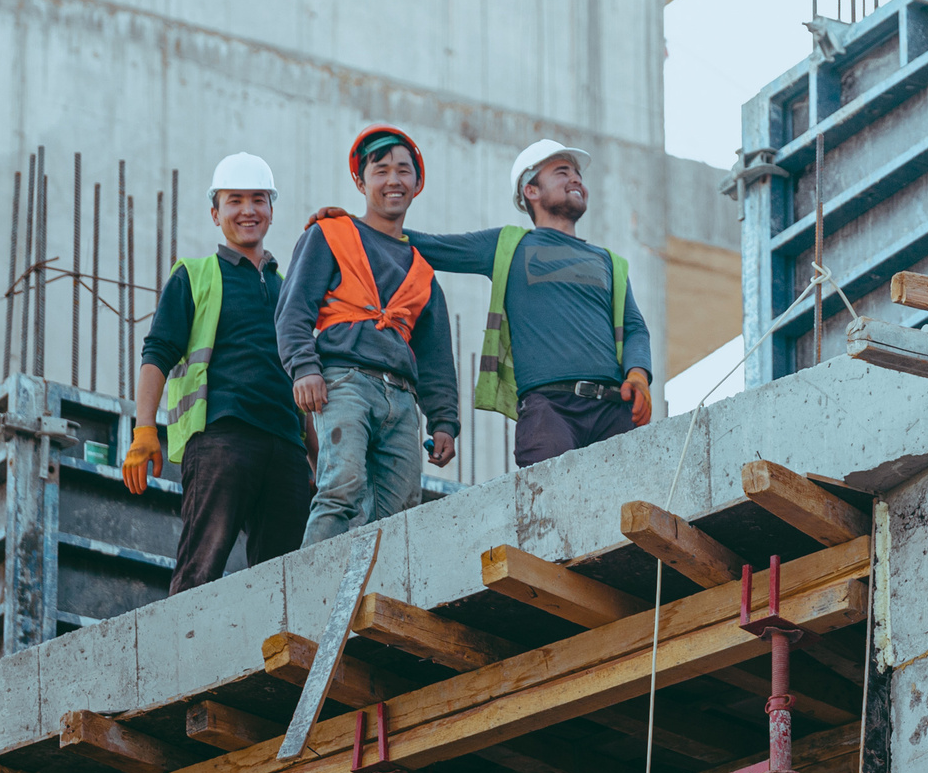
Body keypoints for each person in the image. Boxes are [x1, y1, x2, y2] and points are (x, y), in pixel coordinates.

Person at [124, 151, 313, 594]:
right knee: (201, 567)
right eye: (235, 201)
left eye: (258, 200)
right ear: (216, 213)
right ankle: (180, 657)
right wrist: (144, 430)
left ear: (271, 210)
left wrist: (315, 459)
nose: (248, 210)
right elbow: (157, 353)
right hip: (221, 437)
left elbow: (302, 377)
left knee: (284, 582)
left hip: (285, 447)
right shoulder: (195, 276)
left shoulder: (289, 289)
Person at [408, 140, 655, 467]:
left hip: (613, 410)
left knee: (630, 503)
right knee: (551, 504)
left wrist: (638, 374)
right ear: (531, 190)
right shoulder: (508, 246)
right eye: (562, 172)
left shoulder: (610, 263)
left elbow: (635, 327)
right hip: (548, 410)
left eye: (579, 174)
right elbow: (429, 246)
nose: (576, 179)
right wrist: (354, 228)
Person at [275, 124, 460, 541]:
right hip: (345, 383)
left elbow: (436, 357)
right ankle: (313, 597)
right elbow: (294, 309)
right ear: (360, 181)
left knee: (400, 512)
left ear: (417, 183)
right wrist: (304, 368)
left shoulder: (422, 270)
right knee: (342, 488)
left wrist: (444, 421)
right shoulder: (329, 234)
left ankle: (375, 600)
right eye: (381, 171)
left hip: (402, 398)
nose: (393, 180)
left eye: (403, 171)